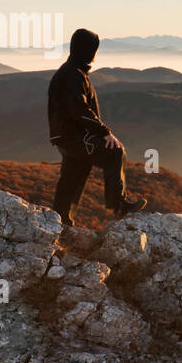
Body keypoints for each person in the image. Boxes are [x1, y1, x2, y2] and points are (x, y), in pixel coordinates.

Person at [48, 28, 147, 226]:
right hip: (74, 136)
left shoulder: (71, 71)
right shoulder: (73, 75)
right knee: (115, 152)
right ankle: (118, 205)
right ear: (88, 50)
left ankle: (59, 222)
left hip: (67, 137)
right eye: (93, 49)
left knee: (72, 176)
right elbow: (80, 110)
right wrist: (104, 133)